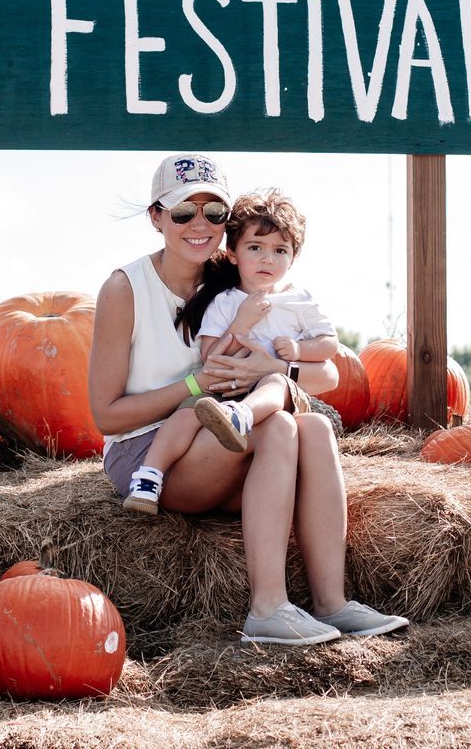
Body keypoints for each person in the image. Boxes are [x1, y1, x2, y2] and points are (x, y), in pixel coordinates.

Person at [89, 153, 409, 646]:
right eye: (182, 212)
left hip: (230, 437)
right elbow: (106, 415)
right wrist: (199, 384)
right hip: (151, 449)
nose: (200, 225)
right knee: (279, 425)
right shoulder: (126, 288)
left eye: (214, 213)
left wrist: (276, 367)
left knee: (316, 427)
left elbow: (326, 374)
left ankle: (332, 602)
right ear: (156, 218)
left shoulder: (236, 276)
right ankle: (267, 608)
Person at [121, 190, 336, 515]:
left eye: (280, 250)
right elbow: (211, 356)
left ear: (293, 257)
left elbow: (329, 345)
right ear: (233, 254)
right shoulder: (225, 302)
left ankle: (243, 417)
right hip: (220, 394)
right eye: (255, 248)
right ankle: (149, 478)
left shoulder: (300, 301)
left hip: (270, 397)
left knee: (275, 382)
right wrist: (241, 322)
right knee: (183, 416)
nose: (267, 259)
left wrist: (296, 350)